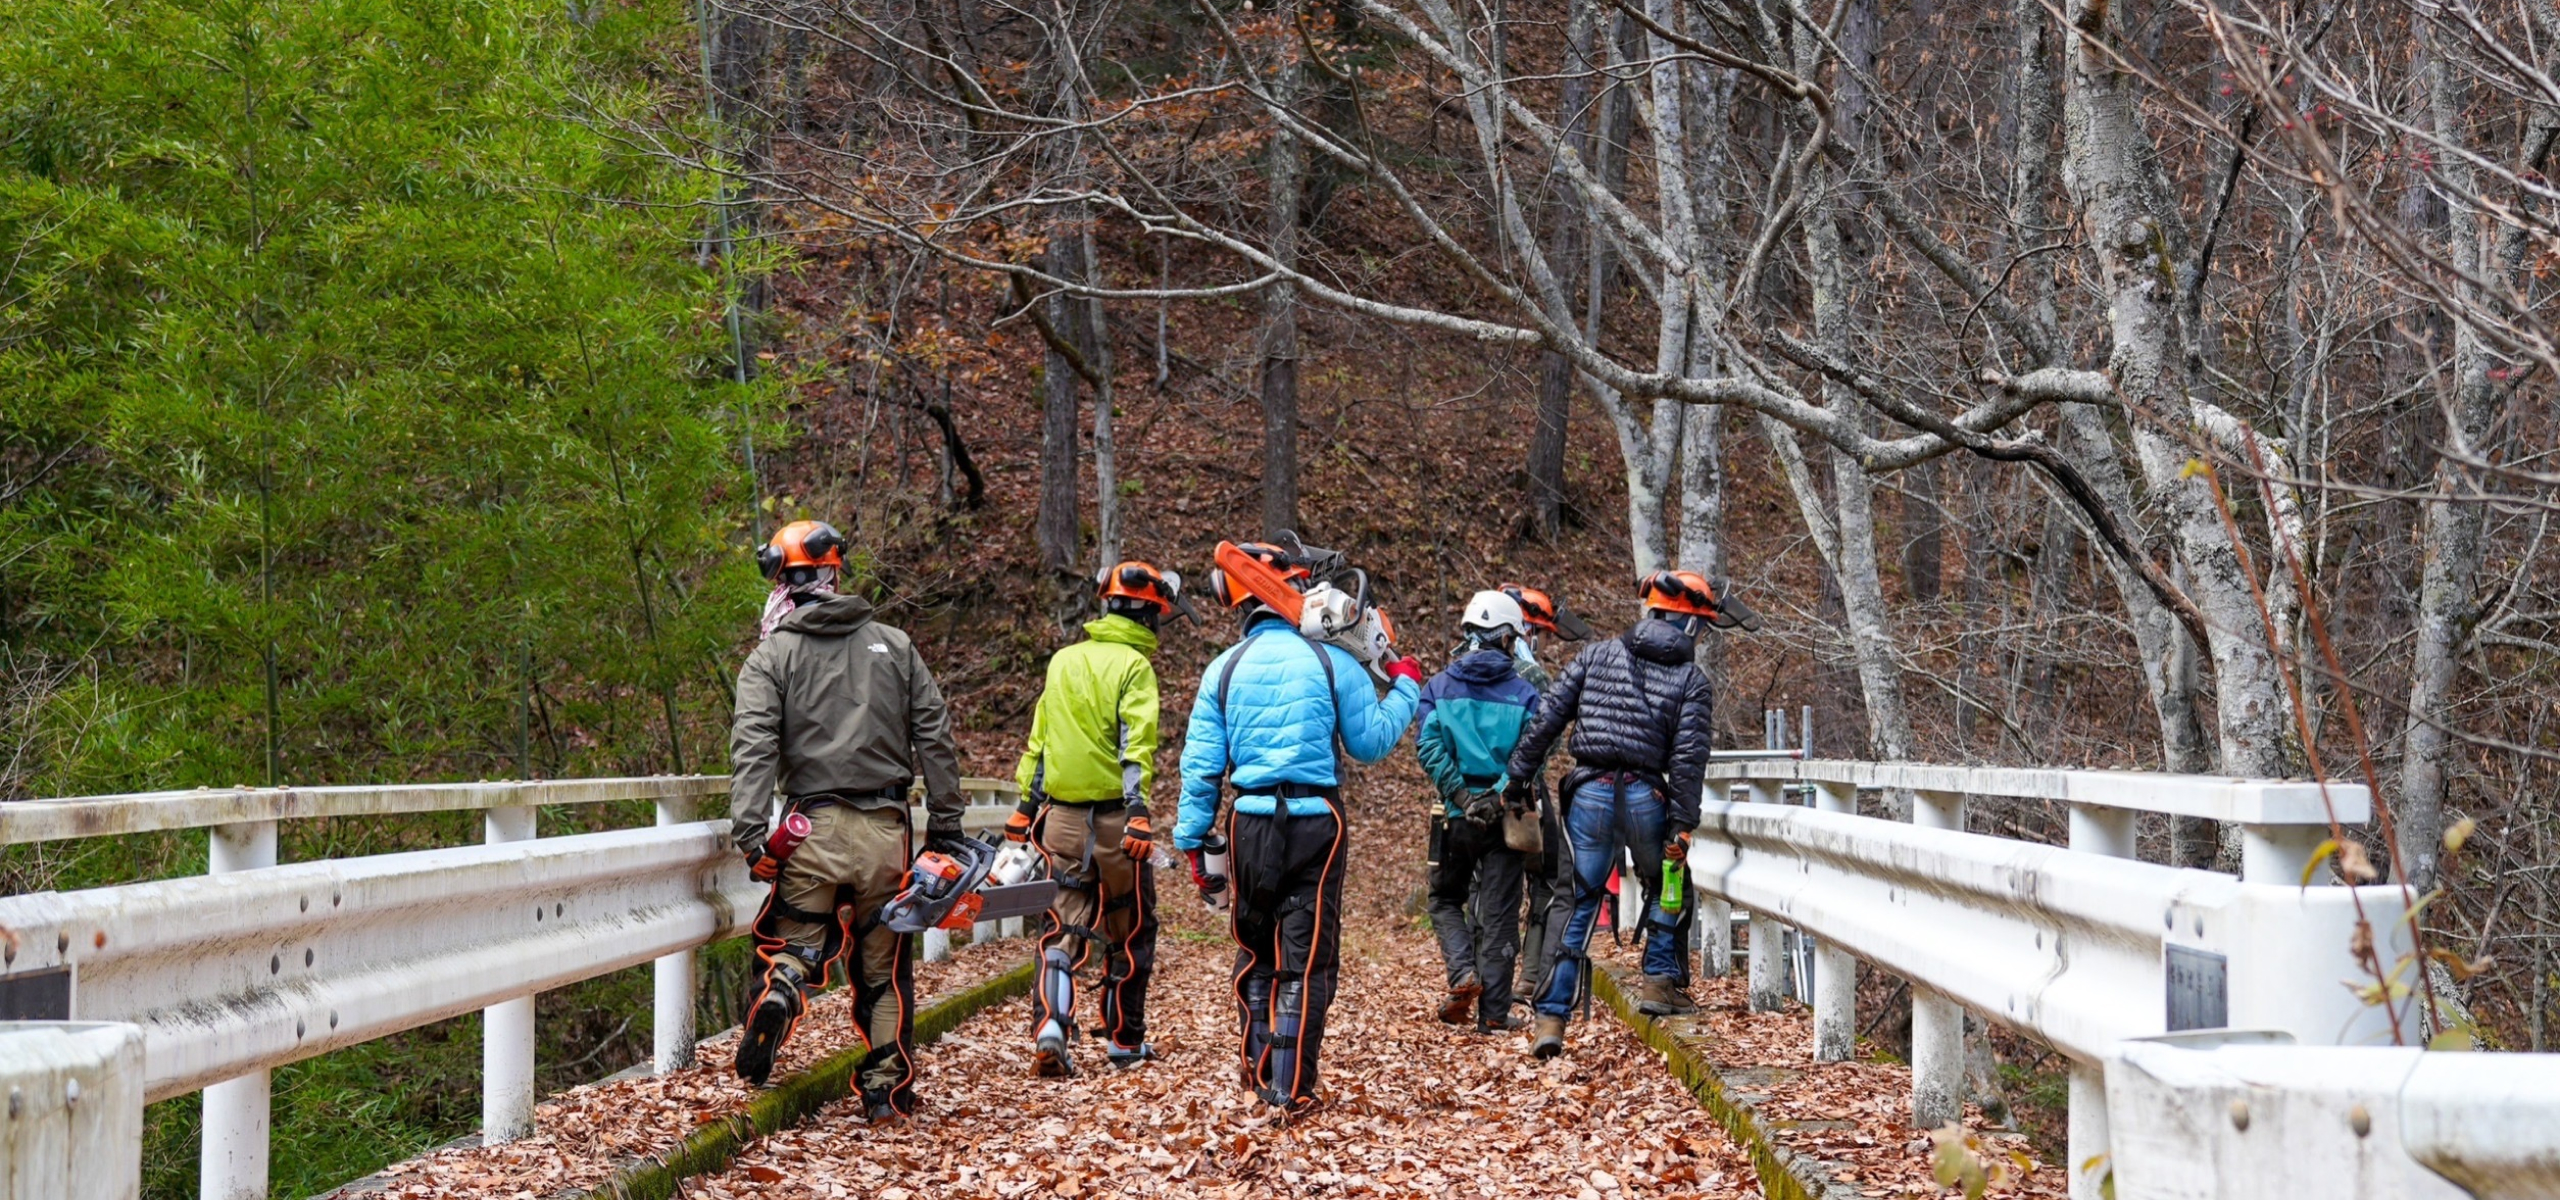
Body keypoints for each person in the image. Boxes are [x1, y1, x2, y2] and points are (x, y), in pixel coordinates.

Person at [728, 519, 967, 1120]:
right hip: (886, 832)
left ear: (781, 580)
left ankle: (784, 984)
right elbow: (935, 737)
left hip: (811, 832)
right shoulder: (895, 644)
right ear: (836, 572)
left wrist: (752, 834)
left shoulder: (771, 655)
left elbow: (753, 746)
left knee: (800, 940)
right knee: (883, 971)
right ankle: (886, 1090)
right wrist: (946, 827)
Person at [1173, 541, 1424, 1113]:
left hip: (1248, 822)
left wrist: (1193, 843)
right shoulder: (1333, 661)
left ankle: (1258, 1068)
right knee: (1307, 958)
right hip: (1317, 823)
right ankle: (1291, 1084)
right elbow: (1370, 742)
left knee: (1255, 947)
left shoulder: (1223, 668)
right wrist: (1406, 683)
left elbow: (1202, 766)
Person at [1506, 570, 1722, 1059]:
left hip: (1589, 793)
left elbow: (1549, 719)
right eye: (1702, 626)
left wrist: (1519, 776)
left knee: (1578, 902)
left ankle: (1551, 1018)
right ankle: (1658, 984)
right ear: (1688, 625)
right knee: (1669, 879)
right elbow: (1688, 761)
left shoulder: (1597, 654)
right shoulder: (1691, 680)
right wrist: (1683, 825)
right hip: (1648, 794)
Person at [1009, 561, 1193, 1077]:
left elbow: (1039, 743)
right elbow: (1137, 745)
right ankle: (1124, 1040)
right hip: (1116, 824)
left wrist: (1026, 806)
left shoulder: (1063, 662)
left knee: (1060, 925)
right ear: (1148, 614)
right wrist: (1138, 812)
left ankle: (1050, 1026)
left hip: (1060, 821)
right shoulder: (1135, 668)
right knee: (1131, 928)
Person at [1415, 591, 1542, 1032]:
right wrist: (1501, 793)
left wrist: (1463, 798)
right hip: (1505, 819)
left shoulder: (1438, 687)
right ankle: (1493, 1013)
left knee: (1446, 898)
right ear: (1509, 639)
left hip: (1454, 815)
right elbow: (1533, 754)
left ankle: (1462, 973)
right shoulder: (1526, 694)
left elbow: (1427, 746)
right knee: (1502, 912)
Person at [1497, 583, 1583, 1017]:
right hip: (1525, 794)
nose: (1544, 642)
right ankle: (1534, 974)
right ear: (1526, 629)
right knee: (1551, 882)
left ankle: (1487, 980)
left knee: (1489, 888)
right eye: (1542, 633)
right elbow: (1546, 742)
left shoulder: (1461, 663)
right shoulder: (1532, 677)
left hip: (1467, 796)